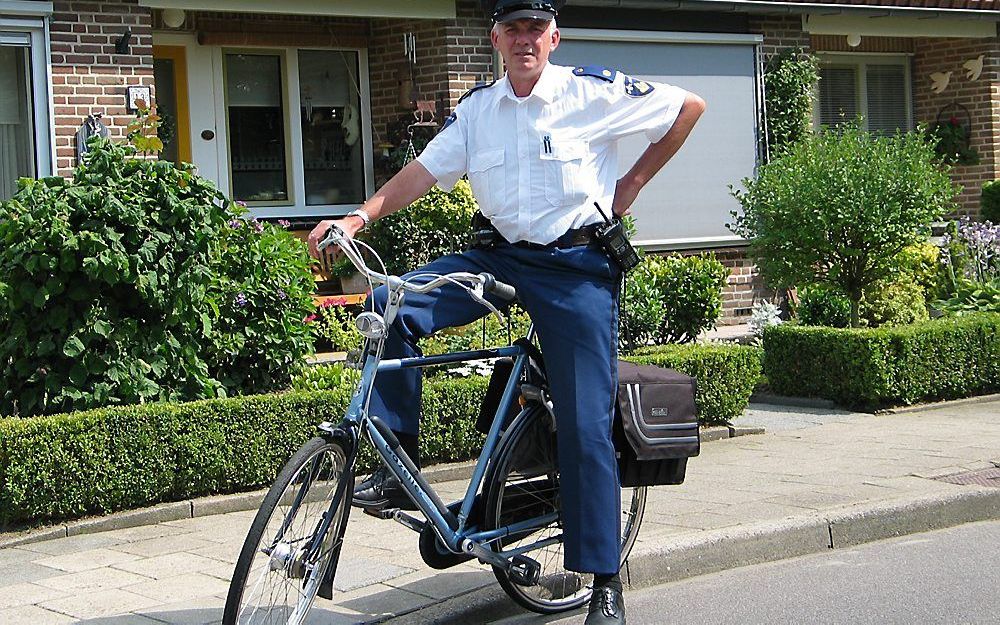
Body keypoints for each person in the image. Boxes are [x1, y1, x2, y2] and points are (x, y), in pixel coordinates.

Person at [308, 1, 705, 622]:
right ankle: (398, 461)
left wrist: (632, 185)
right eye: (512, 29)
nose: (524, 40)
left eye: (534, 29)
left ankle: (603, 581)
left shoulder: (590, 94)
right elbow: (422, 171)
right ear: (495, 38)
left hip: (573, 267)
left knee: (583, 424)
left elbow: (688, 108)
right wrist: (357, 217)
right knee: (392, 303)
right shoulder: (479, 110)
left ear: (553, 37)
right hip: (498, 259)